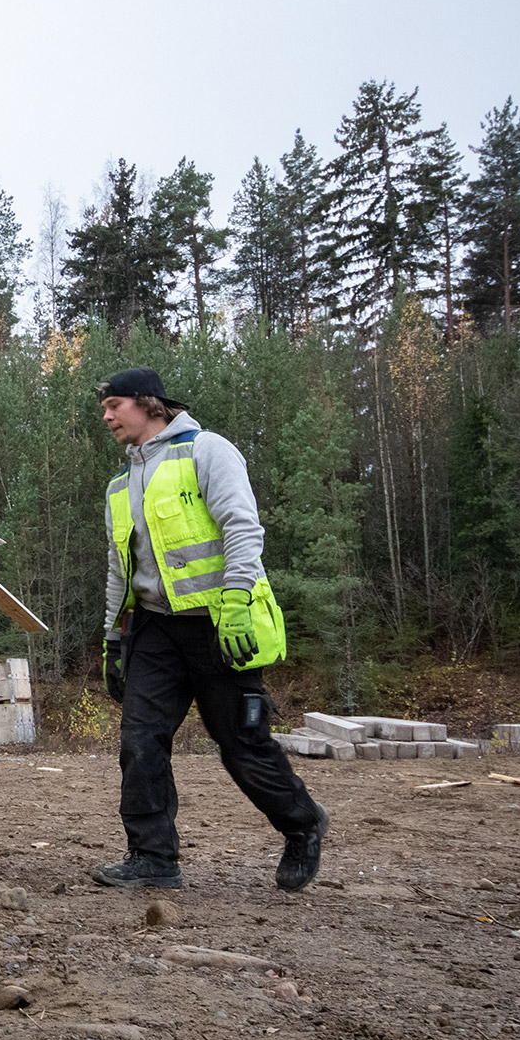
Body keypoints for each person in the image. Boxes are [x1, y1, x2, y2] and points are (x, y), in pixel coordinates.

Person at [94, 368, 328, 891]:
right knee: (140, 742)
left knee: (241, 744)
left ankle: (303, 823)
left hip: (221, 625)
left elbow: (243, 528)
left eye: (114, 405)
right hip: (154, 629)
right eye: (104, 408)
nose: (106, 417)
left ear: (148, 403)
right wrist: (114, 637)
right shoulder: (120, 483)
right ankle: (153, 858)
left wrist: (238, 600)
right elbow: (118, 568)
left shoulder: (208, 451)